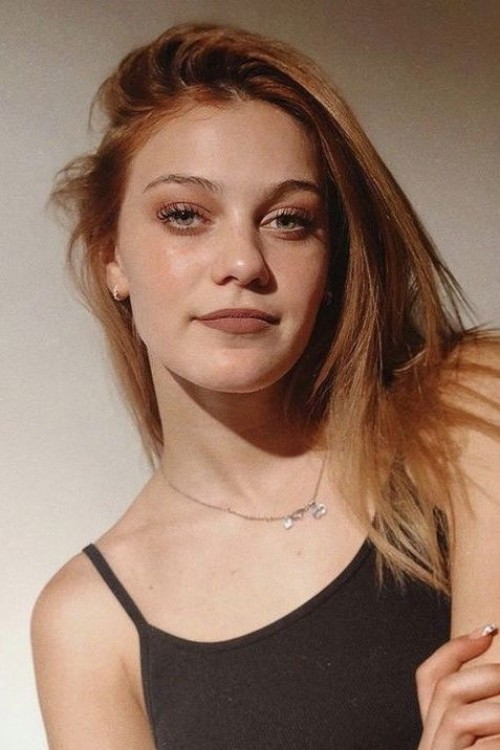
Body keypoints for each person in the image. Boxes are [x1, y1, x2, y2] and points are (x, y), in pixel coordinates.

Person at [31, 23, 500, 749]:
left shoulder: (472, 408)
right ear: (110, 258)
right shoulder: (87, 624)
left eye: (289, 220)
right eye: (185, 215)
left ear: (331, 259)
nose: (244, 262)